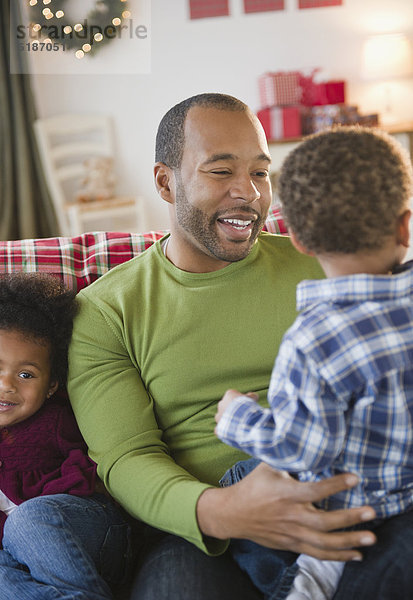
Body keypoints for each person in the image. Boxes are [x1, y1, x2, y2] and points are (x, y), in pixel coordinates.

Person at [68, 94, 383, 600]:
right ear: (165, 182)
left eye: (261, 173)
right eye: (221, 172)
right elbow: (127, 456)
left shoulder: (323, 264)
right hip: (207, 521)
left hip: (347, 489)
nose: (251, 193)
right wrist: (226, 510)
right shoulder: (106, 310)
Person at [215, 127, 413, 600]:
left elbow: (302, 450)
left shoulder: (314, 340)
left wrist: (237, 419)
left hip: (353, 521)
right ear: (404, 226)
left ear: (298, 239)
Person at [0, 273, 131, 600]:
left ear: (51, 387)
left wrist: (31, 504)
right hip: (22, 558)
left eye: (26, 374)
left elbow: (90, 472)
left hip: (87, 532)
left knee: (29, 520)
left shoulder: (56, 421)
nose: (7, 385)